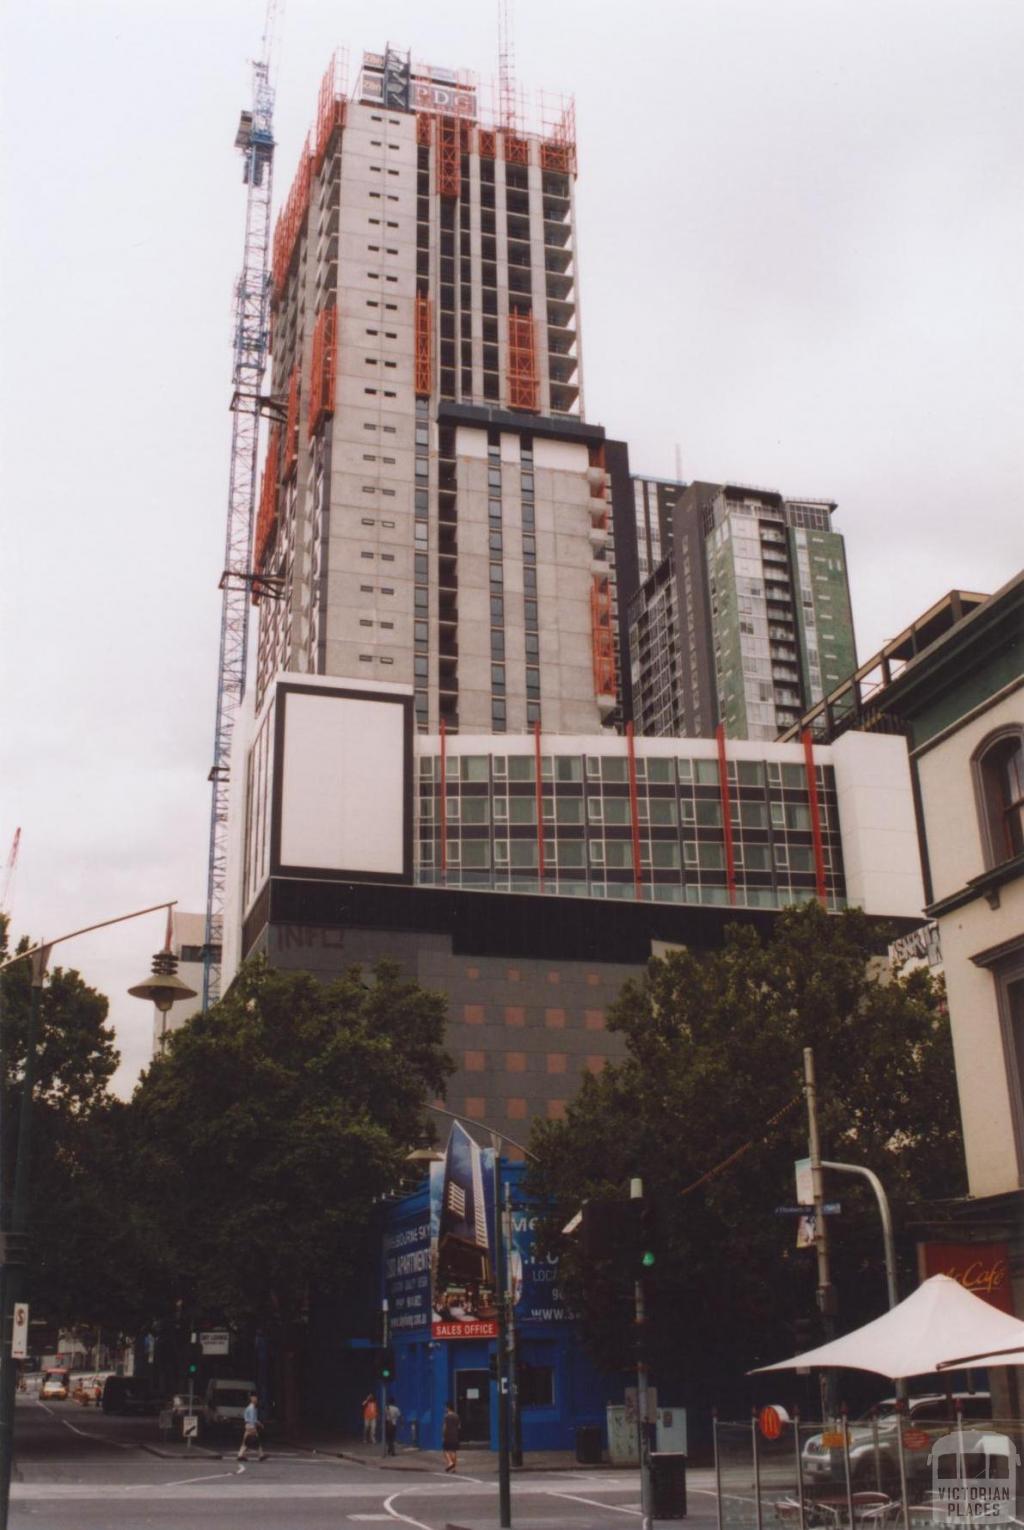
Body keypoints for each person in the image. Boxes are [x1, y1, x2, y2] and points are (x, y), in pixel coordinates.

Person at [237, 1392, 266, 1463]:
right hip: (251, 1426)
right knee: (253, 1441)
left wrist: (259, 1424)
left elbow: (253, 1419)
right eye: (254, 1398)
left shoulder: (250, 1407)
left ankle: (241, 1455)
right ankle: (260, 1455)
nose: (256, 1400)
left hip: (248, 1425)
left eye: (256, 1398)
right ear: (251, 1399)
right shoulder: (252, 1408)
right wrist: (254, 1427)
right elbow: (253, 1419)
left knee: (246, 1441)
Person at [442, 1400, 460, 1473]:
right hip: (455, 1435)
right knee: (454, 1451)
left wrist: (443, 1435)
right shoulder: (456, 1416)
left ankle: (450, 1462)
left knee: (445, 1450)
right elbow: (459, 1426)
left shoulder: (446, 1416)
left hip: (448, 1435)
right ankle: (454, 1468)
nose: (445, 1409)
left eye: (446, 1407)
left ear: (448, 1408)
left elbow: (444, 1427)